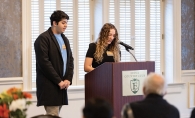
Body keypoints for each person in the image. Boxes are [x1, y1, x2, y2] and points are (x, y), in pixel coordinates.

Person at [34, 10, 74, 116]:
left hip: (62, 86)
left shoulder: (64, 39)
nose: (66, 25)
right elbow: (44, 63)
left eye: (66, 23)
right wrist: (58, 81)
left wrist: (68, 79)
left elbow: (70, 60)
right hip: (50, 86)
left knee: (55, 115)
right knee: (52, 115)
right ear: (54, 23)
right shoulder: (43, 39)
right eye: (63, 23)